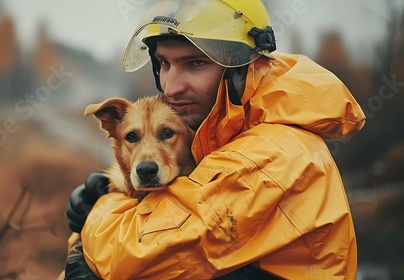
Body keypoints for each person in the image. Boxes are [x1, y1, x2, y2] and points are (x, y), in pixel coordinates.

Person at [64, 0, 366, 279]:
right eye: (165, 64)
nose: (172, 87)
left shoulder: (272, 154)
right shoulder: (232, 135)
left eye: (196, 63)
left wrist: (101, 208)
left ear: (239, 67)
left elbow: (131, 255)